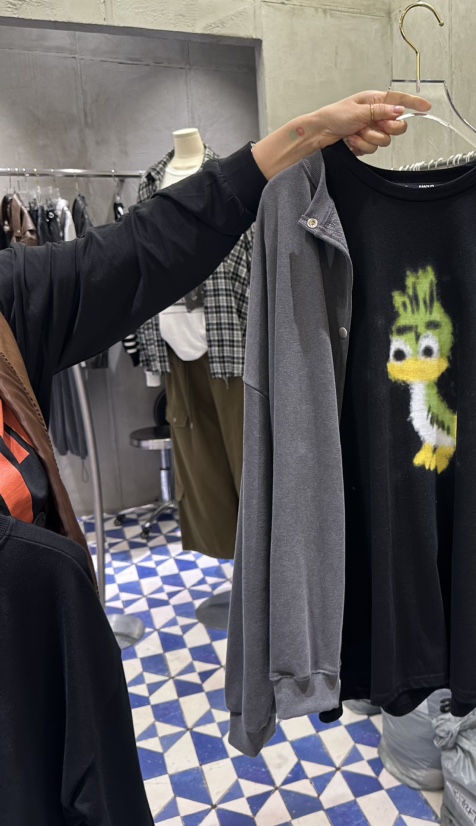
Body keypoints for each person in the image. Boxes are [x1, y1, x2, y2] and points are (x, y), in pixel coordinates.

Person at [0, 89, 428, 826]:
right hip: (185, 366)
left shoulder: (9, 303)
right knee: (211, 479)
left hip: (45, 697)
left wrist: (308, 132)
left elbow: (148, 246)